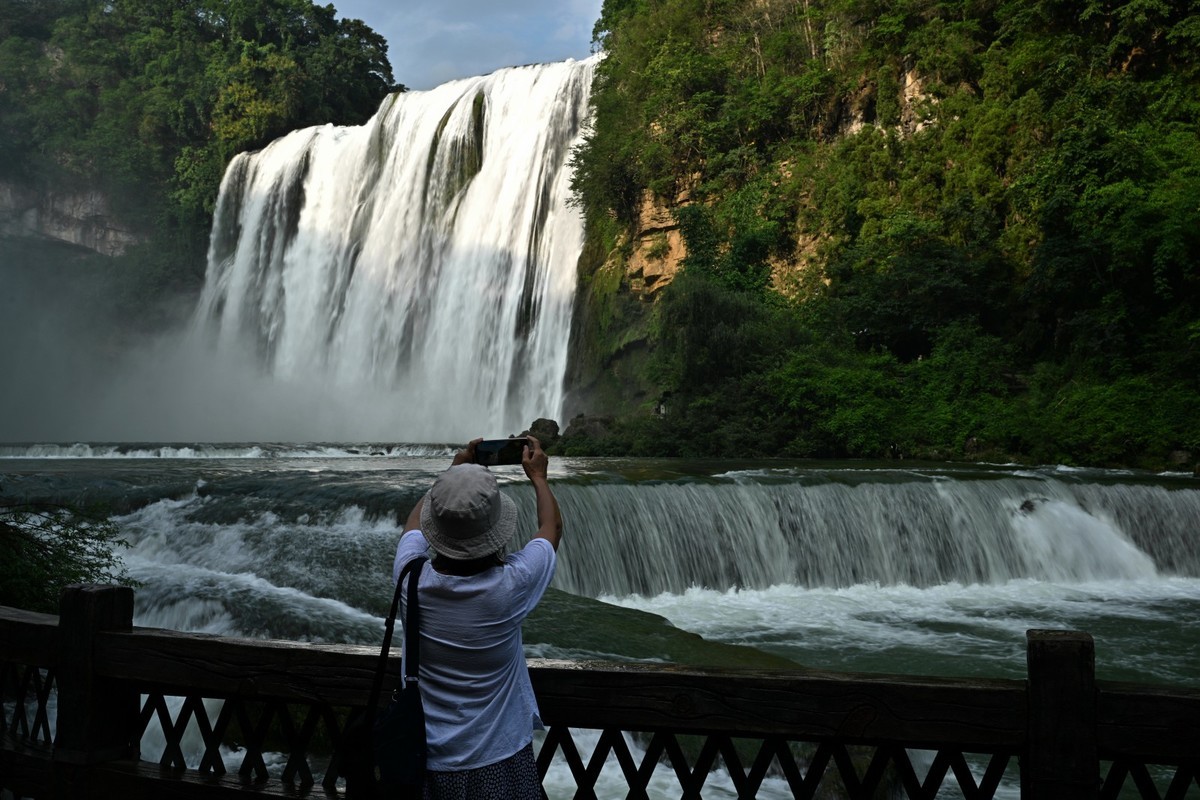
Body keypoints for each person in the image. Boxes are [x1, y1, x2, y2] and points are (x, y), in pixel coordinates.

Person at [393, 435, 563, 799]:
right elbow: (551, 531)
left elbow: (411, 528)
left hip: (426, 759)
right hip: (499, 756)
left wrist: (452, 477)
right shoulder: (511, 585)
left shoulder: (411, 578)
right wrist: (539, 478)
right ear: (496, 529)